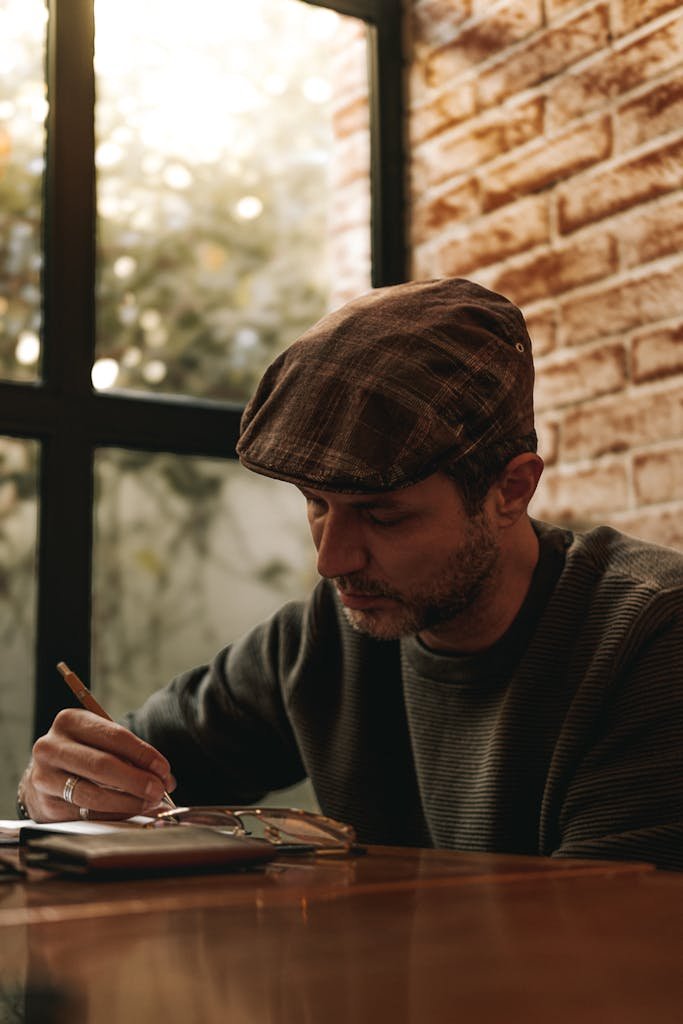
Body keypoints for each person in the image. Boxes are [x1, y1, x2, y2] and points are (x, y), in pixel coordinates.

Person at [18, 278, 683, 869]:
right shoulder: (325, 634)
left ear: (510, 490)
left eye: (383, 516)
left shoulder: (649, 637)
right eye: (315, 505)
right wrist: (63, 790)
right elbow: (130, 772)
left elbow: (603, 943)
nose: (331, 560)